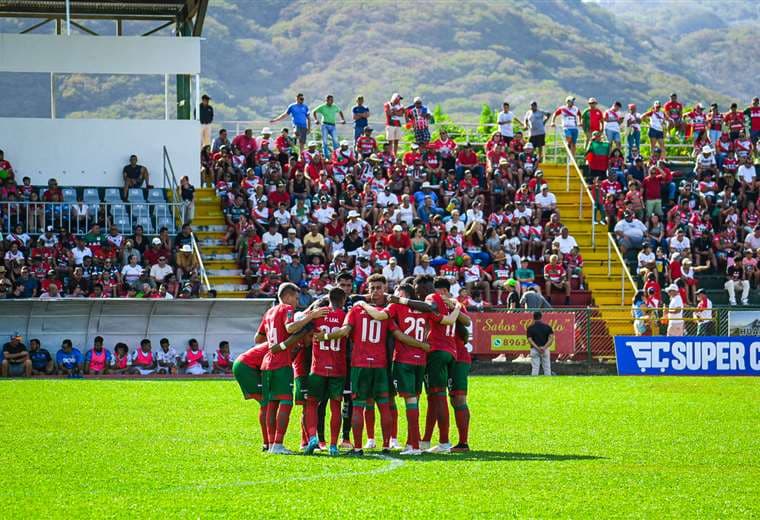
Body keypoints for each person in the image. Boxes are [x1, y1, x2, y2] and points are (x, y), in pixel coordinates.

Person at [254, 282, 328, 455]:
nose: (296, 301)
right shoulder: (286, 308)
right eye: (295, 297)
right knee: (285, 403)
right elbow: (290, 327)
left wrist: (275, 343)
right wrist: (312, 316)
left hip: (268, 362)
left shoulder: (269, 312)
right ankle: (278, 444)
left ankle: (272, 443)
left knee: (272, 404)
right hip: (281, 363)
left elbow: (258, 338)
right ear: (287, 296)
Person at [302, 287, 350, 456]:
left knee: (312, 404)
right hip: (338, 368)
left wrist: (313, 309)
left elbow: (300, 320)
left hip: (318, 367)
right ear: (343, 300)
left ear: (328, 298)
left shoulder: (318, 314)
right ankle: (333, 446)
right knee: (335, 406)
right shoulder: (345, 316)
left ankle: (313, 437)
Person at [526, 312, 553, 376]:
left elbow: (530, 340)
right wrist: (544, 347)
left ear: (533, 318)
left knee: (535, 368)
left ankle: (534, 383)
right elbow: (551, 339)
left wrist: (537, 348)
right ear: (541, 317)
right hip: (545, 349)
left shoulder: (530, 328)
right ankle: (548, 383)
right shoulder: (547, 327)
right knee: (547, 367)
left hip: (534, 349)